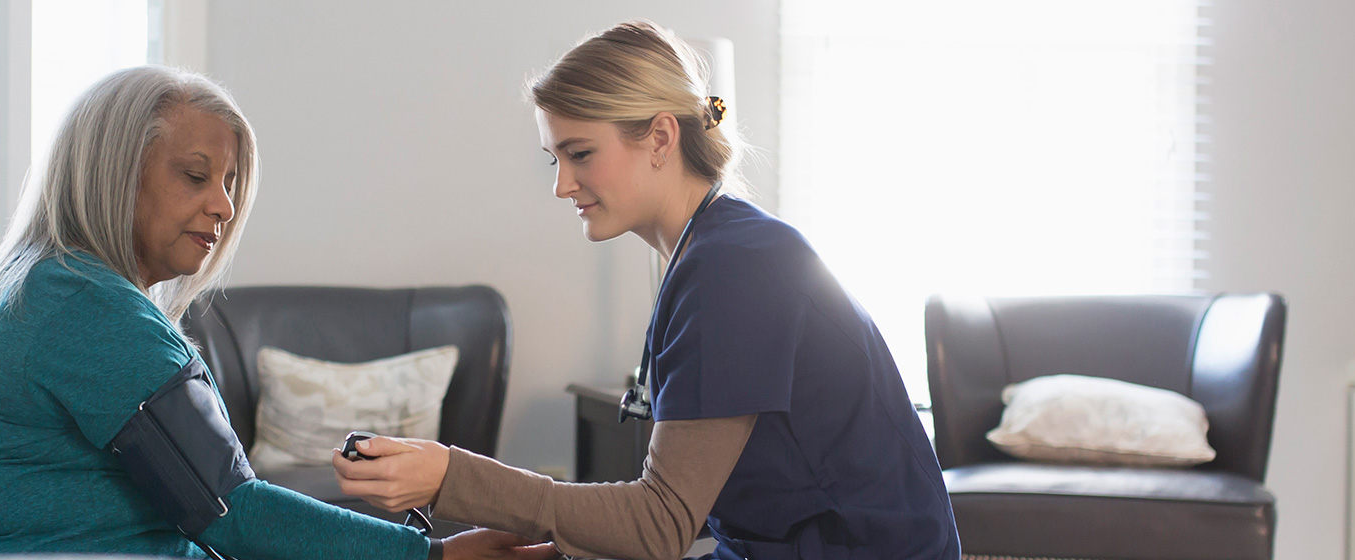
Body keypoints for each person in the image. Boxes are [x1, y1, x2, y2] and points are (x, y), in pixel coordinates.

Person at [332, 21, 961, 560]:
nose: (563, 185)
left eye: (580, 153)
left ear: (660, 138)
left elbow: (661, 526)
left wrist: (450, 475)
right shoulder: (711, 249)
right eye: (556, 159)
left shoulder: (735, 268)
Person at [0, 65, 557, 560]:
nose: (224, 205)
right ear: (114, 174)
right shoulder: (88, 309)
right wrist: (429, 557)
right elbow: (230, 510)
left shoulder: (48, 286)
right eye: (195, 176)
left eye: (231, 182)